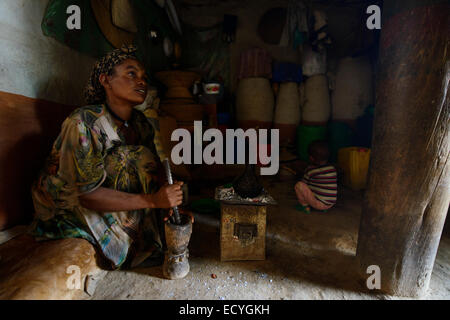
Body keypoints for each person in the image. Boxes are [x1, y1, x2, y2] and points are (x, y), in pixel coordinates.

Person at [30, 45, 191, 270]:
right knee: (127, 158)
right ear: (106, 80)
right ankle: (125, 244)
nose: (142, 81)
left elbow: (152, 171)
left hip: (109, 195)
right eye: (131, 74)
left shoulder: (141, 123)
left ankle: (146, 238)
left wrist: (171, 201)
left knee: (165, 178)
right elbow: (86, 194)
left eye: (144, 77)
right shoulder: (83, 122)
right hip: (68, 205)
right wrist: (154, 201)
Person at [294, 140, 337, 213]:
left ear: (311, 158)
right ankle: (323, 208)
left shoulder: (311, 170)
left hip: (318, 204)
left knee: (299, 185)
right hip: (330, 204)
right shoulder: (332, 169)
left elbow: (304, 183)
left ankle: (305, 207)